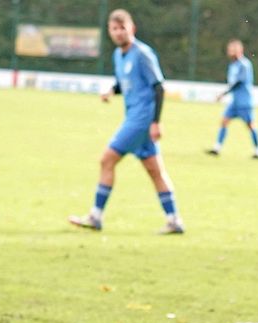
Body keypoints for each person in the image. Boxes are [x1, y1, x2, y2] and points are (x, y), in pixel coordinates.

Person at [69, 9, 183, 234]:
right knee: (155, 171)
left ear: (132, 29)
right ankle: (174, 220)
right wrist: (112, 90)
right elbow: (124, 82)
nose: (119, 32)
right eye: (114, 28)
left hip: (140, 121)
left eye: (123, 28)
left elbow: (158, 87)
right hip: (134, 118)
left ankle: (95, 216)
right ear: (110, 32)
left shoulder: (142, 53)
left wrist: (155, 122)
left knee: (106, 160)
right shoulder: (118, 55)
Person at [207, 39, 258, 159]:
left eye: (234, 49)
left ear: (240, 50)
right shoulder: (233, 65)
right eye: (230, 49)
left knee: (251, 125)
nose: (231, 52)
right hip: (235, 101)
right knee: (224, 121)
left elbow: (238, 82)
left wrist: (223, 93)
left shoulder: (244, 64)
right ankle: (217, 148)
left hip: (244, 101)